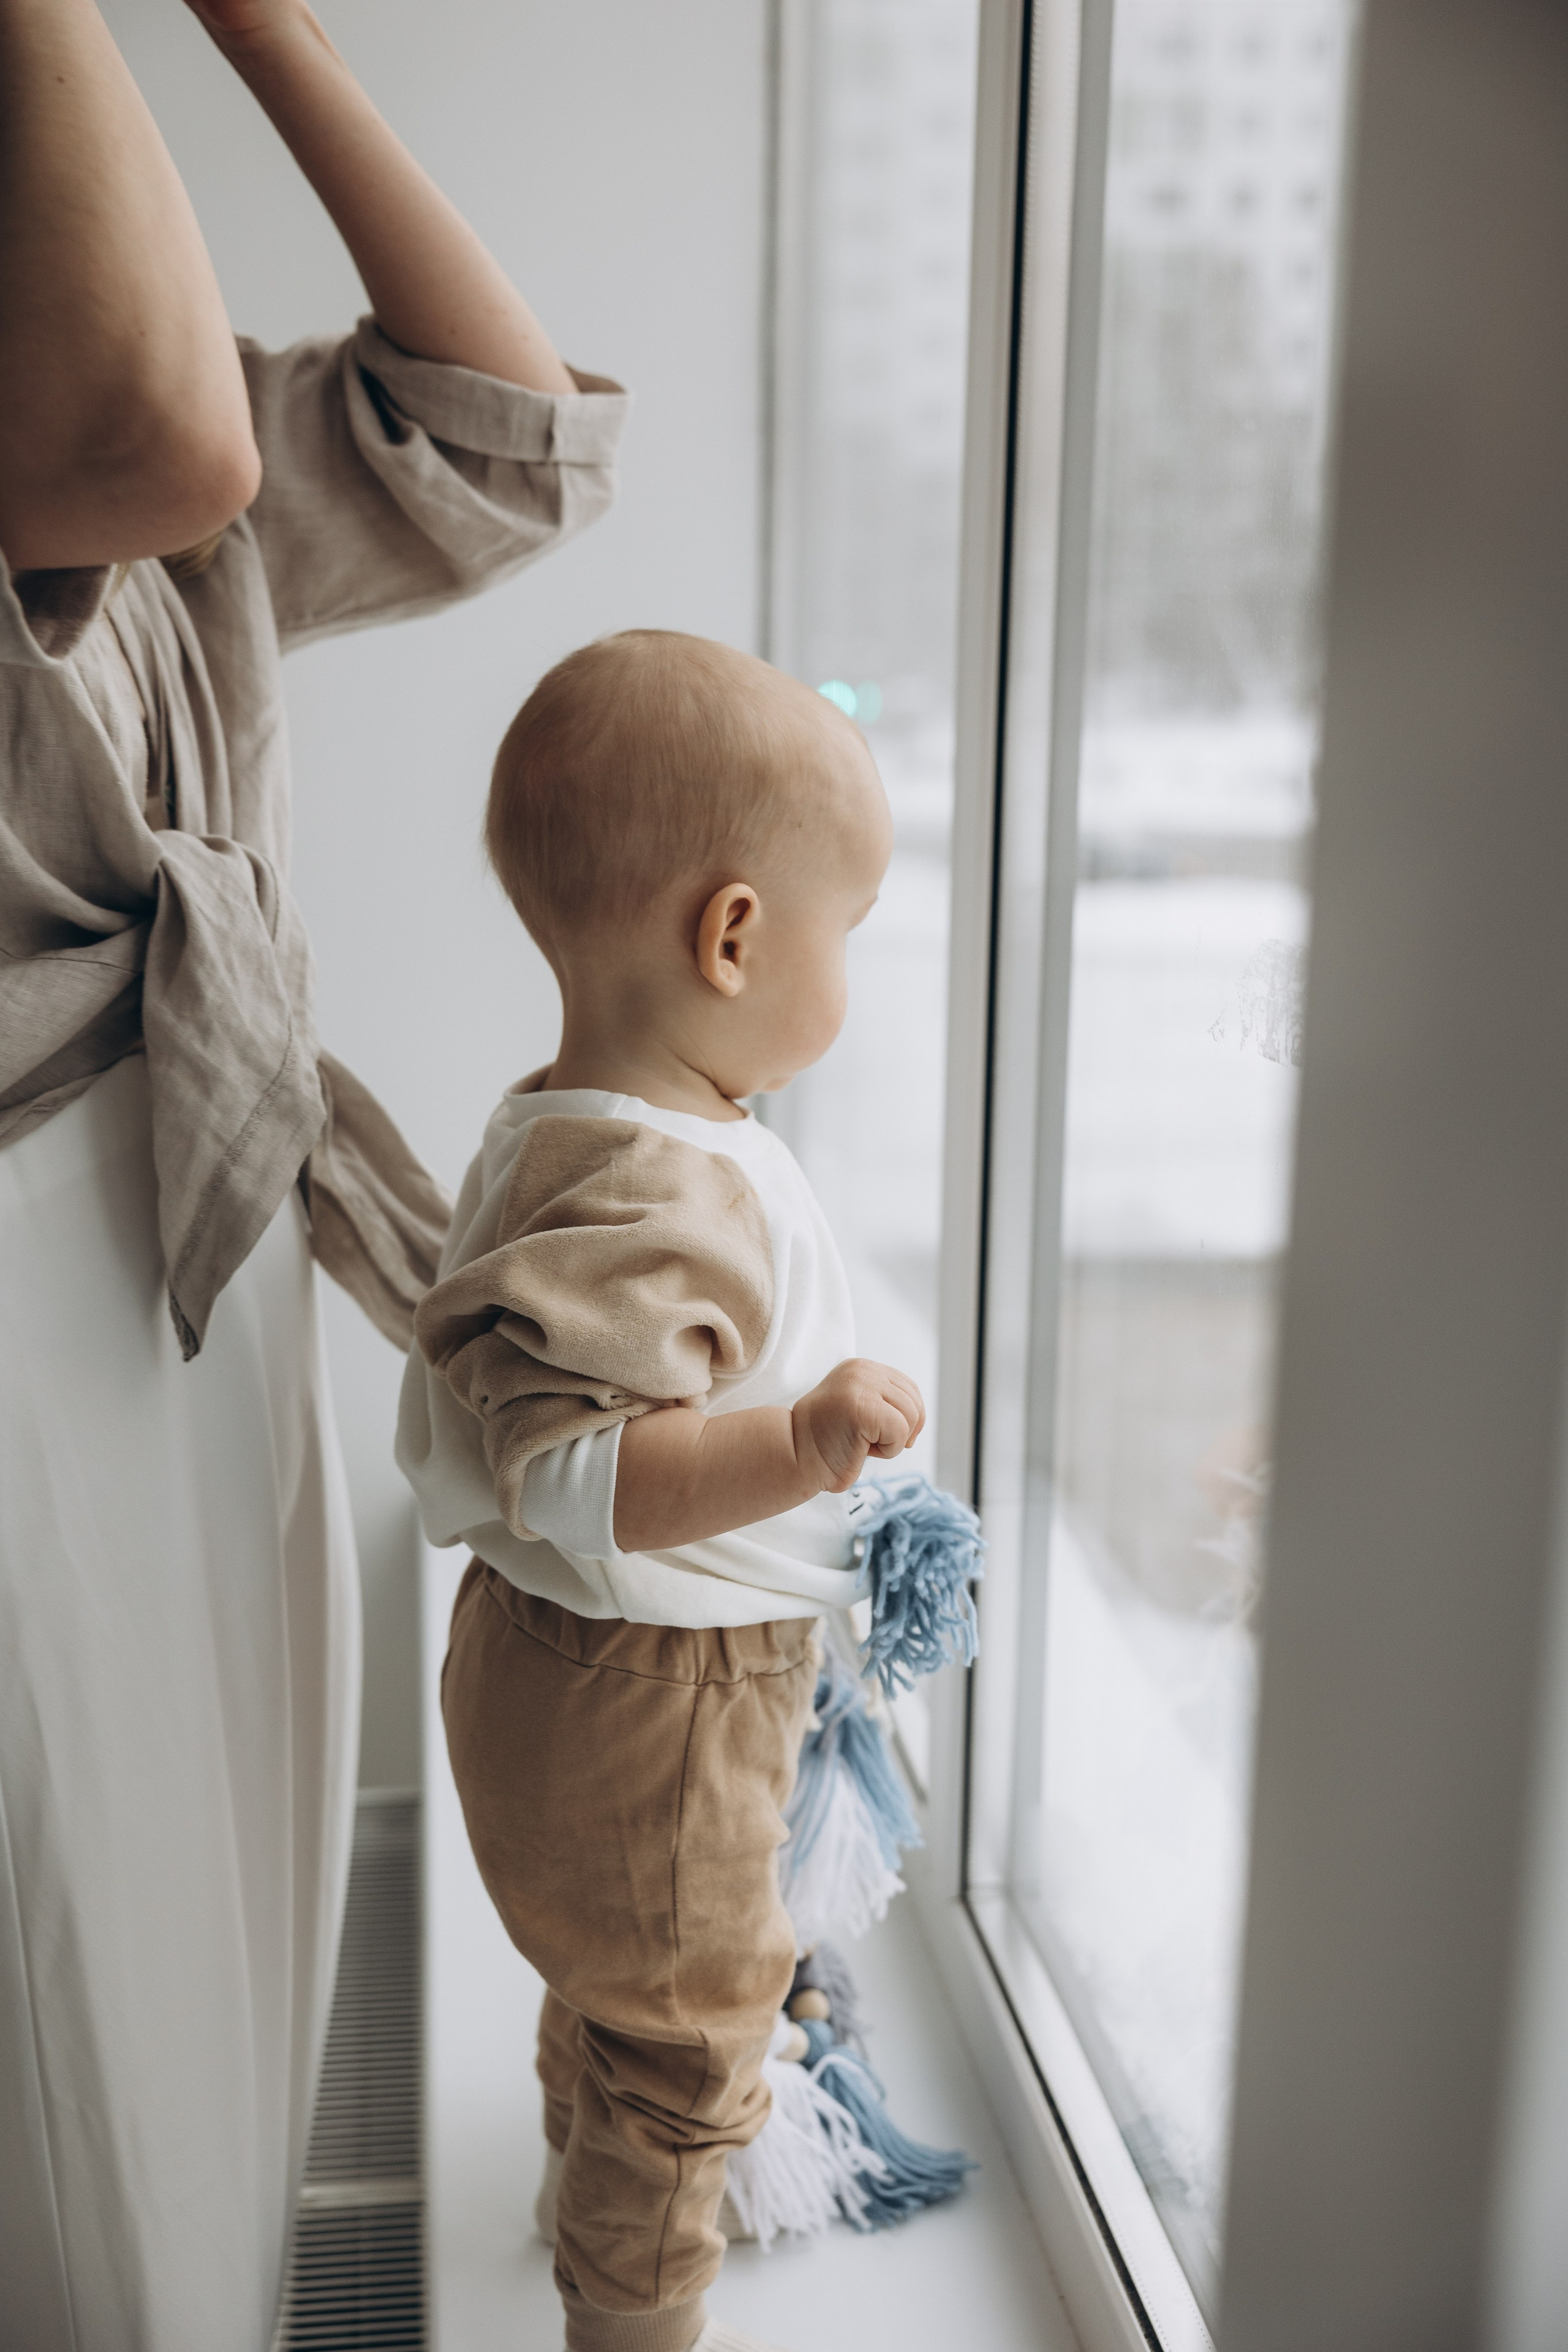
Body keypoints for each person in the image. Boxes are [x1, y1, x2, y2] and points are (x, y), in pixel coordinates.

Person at [0, 2, 625, 2346]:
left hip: (201, 1219)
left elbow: (510, 433)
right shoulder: (106, 444)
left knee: (203, 1976)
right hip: (34, 1284)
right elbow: (150, 429)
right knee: (73, 2053)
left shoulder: (131, 478)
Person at [397, 631, 926, 2352]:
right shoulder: (664, 1185)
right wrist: (808, 1442)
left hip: (548, 1668)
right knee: (692, 2043)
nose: (848, 973)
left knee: (608, 1979)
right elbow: (588, 1471)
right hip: (658, 1709)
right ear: (735, 936)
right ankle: (631, 2308)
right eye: (845, 931)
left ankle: (583, 2176)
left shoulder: (563, 1117)